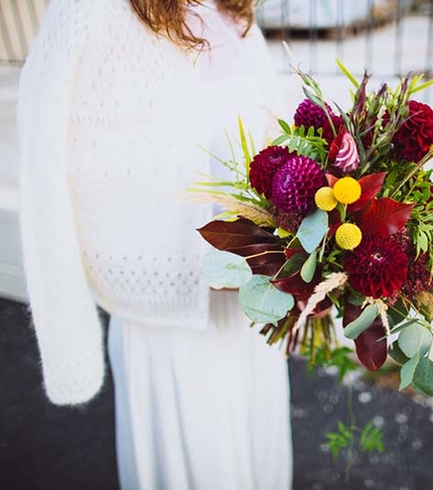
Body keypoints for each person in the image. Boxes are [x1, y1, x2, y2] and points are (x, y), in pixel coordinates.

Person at [17, 0, 292, 488]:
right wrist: (69, 343)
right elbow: (42, 170)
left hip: (252, 313)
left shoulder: (233, 14)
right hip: (165, 326)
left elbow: (279, 144)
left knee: (260, 462)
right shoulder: (87, 12)